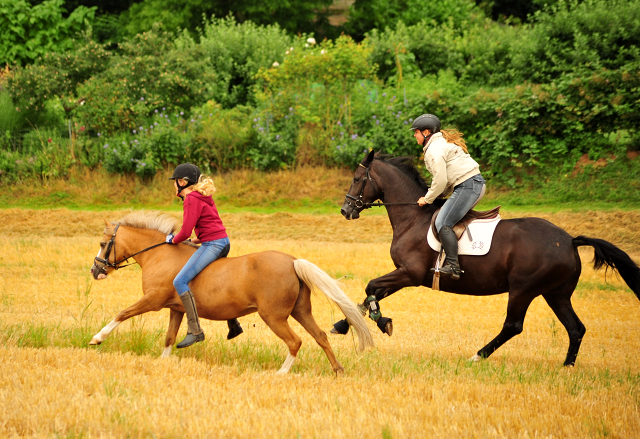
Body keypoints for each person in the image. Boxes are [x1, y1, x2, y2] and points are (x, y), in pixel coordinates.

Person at [166, 163, 243, 348]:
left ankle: (195, 331)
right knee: (215, 280)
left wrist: (173, 240)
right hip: (222, 241)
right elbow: (211, 222)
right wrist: (195, 241)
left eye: (175, 182)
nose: (174, 186)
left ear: (182, 182)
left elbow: (185, 231)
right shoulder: (203, 195)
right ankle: (233, 323)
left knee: (180, 281)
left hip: (213, 244)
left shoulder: (191, 198)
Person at [410, 114, 486, 280]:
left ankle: (453, 267)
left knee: (442, 222)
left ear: (426, 132)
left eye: (416, 132)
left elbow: (440, 179)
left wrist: (428, 198)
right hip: (470, 184)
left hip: (468, 186)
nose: (414, 135)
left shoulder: (434, 149)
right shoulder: (438, 144)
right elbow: (444, 181)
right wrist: (437, 196)